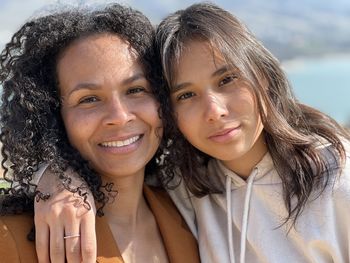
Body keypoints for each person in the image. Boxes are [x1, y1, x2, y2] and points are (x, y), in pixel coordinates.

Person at [34, 2, 350, 263]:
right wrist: (56, 177)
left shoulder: (338, 183)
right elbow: (119, 163)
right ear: (169, 112)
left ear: (263, 77)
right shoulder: (186, 186)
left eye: (227, 80)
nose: (214, 111)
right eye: (186, 95)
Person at [0, 3, 199, 263]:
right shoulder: (11, 238)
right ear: (52, 117)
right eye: (89, 99)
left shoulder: (191, 210)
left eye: (136, 90)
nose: (119, 116)